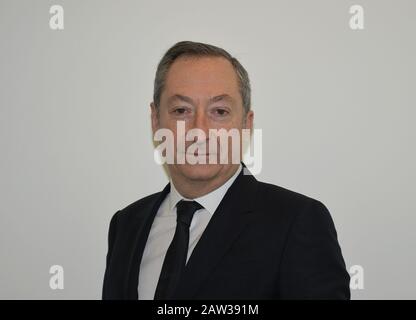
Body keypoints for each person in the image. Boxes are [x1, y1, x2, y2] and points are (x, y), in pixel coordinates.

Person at [102, 41, 350, 300]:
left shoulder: (297, 223)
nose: (199, 131)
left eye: (219, 111)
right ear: (155, 120)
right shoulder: (126, 225)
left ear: (246, 125)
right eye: (181, 111)